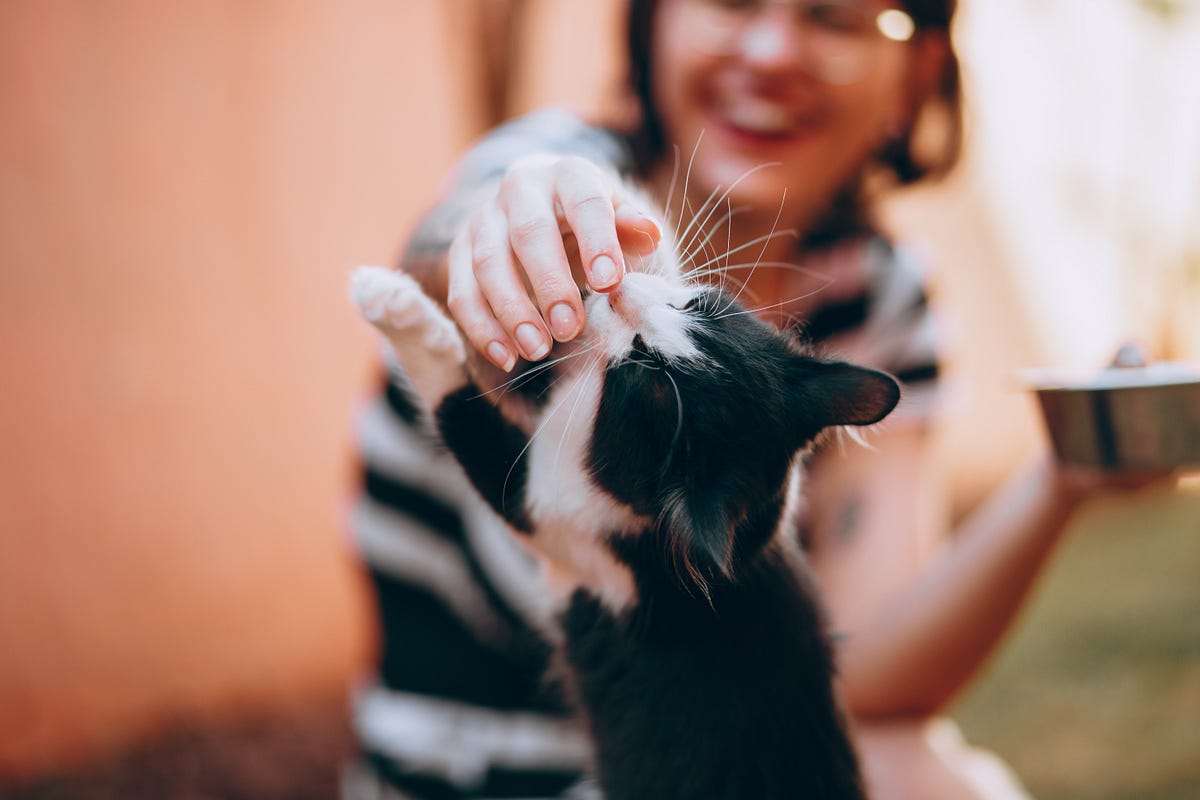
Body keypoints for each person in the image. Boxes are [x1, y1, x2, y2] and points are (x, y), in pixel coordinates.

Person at [343, 1, 1145, 798]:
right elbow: (441, 253)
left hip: (724, 761)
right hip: (478, 772)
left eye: (833, 16)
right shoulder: (558, 173)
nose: (771, 51)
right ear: (652, 21)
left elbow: (866, 676)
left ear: (918, 72)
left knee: (925, 773)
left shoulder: (879, 294)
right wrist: (495, 240)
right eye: (730, 0)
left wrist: (1063, 476)